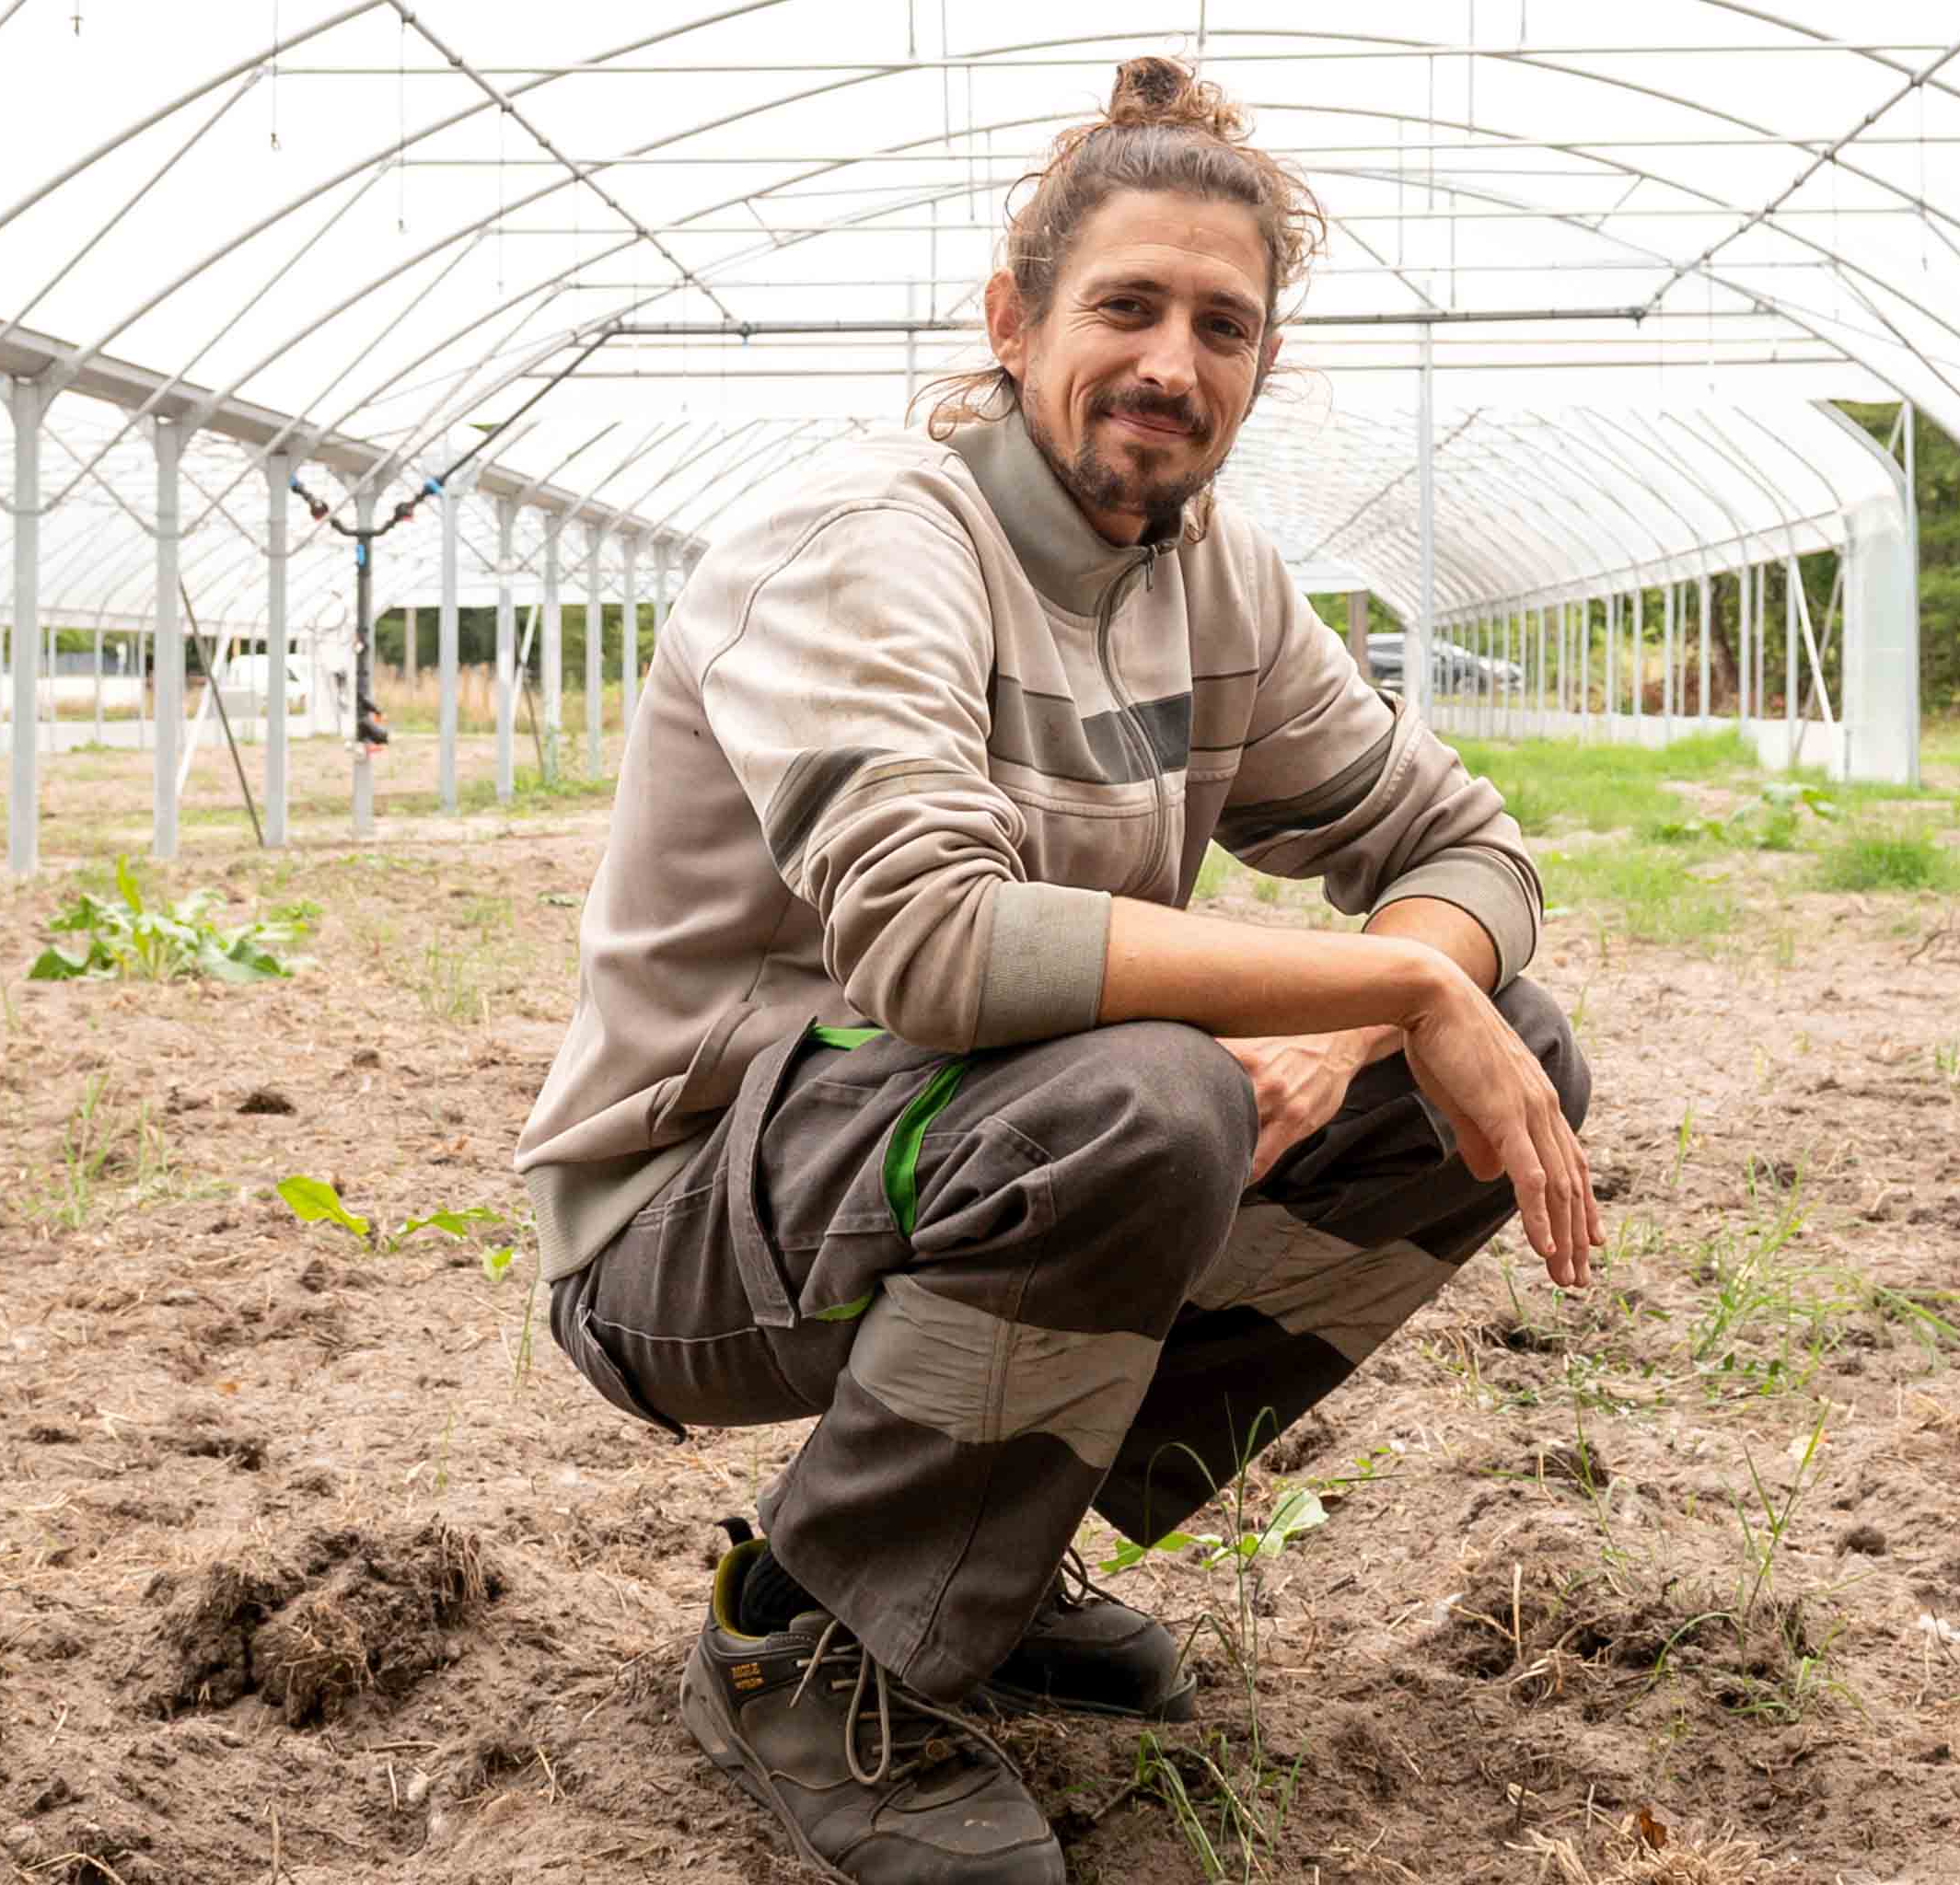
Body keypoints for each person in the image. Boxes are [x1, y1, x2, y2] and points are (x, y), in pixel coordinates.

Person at [514, 55, 1596, 1885]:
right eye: (1128, 307)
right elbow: (936, 943)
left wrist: (1392, 1010)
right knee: (1157, 1092)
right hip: (687, 1211)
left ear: (1260, 367)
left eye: (1224, 325)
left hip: (953, 1149)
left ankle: (976, 1567)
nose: (1174, 361)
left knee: (1511, 1052)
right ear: (1013, 323)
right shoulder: (873, 543)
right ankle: (810, 1644)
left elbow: (1467, 851)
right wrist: (1385, 988)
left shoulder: (1217, 585)